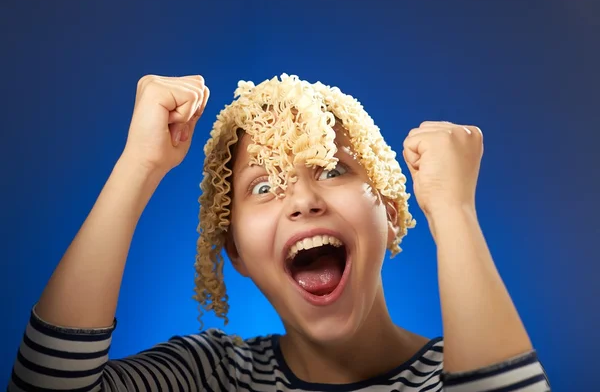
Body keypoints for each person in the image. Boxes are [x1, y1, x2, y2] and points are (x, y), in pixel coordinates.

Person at [8, 74, 551, 391]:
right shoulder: (211, 376)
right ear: (236, 251)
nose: (304, 201)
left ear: (389, 212)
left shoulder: (452, 376)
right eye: (264, 187)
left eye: (333, 170)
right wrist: (138, 164)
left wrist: (453, 211)